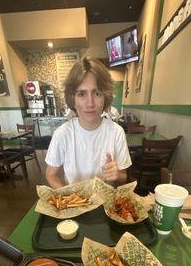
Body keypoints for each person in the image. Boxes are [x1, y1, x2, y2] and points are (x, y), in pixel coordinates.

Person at [45, 57, 132, 189]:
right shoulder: (62, 134)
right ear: (72, 98)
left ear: (105, 96)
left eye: (97, 93)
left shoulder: (116, 132)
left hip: (106, 205)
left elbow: (123, 177)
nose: (90, 103)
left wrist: (116, 175)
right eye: (81, 94)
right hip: (74, 204)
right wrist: (66, 198)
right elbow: (51, 174)